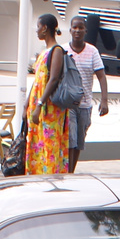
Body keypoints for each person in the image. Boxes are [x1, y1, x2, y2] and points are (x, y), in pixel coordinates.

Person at [25, 14, 70, 175]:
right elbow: (38, 79)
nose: (36, 30)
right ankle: (37, 176)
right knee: (39, 144)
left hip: (48, 108)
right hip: (38, 107)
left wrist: (39, 104)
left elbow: (53, 79)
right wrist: (27, 104)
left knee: (49, 144)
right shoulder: (44, 51)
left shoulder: (56, 51)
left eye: (38, 27)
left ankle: (49, 178)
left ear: (45, 28)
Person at [66, 15, 109, 173]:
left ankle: (72, 170)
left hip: (85, 104)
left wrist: (104, 101)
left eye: (80, 28)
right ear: (70, 30)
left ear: (85, 30)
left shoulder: (92, 51)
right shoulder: (63, 50)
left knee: (79, 142)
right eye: (74, 27)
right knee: (70, 139)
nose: (77, 30)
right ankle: (68, 172)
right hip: (68, 103)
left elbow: (101, 76)